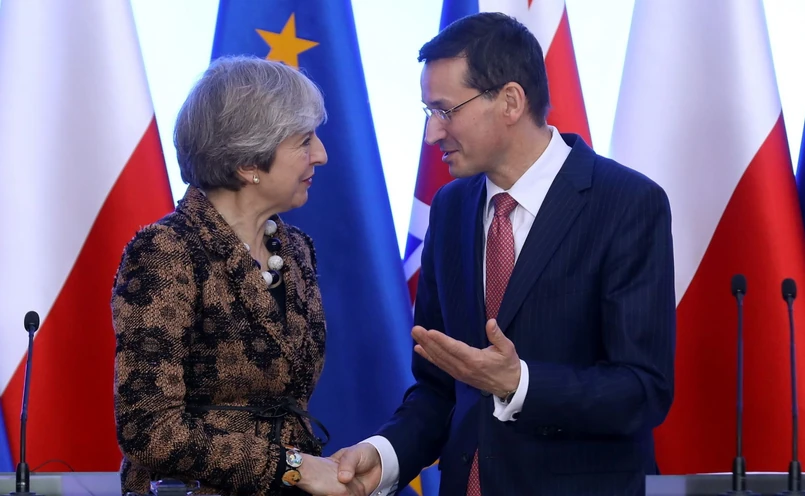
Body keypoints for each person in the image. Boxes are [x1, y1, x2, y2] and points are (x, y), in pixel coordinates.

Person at [333, 12, 676, 496]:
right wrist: (383, 455)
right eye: (429, 113)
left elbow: (642, 390)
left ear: (511, 101)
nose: (432, 134)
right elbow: (440, 388)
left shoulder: (626, 203)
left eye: (445, 111)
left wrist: (520, 383)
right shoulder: (450, 208)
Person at [112, 56, 364, 496]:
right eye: (305, 141)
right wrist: (293, 467)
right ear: (249, 162)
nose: (322, 155)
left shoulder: (297, 249)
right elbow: (149, 429)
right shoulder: (166, 251)